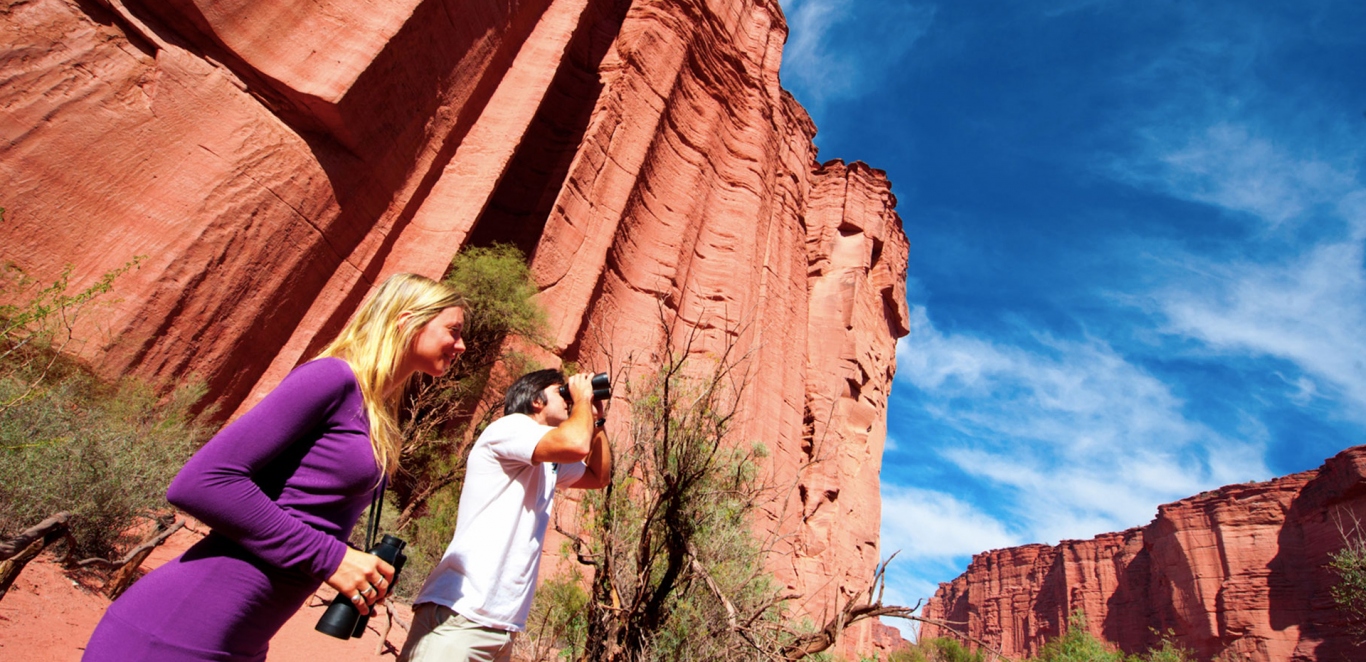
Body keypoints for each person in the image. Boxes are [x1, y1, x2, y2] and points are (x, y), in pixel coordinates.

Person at [82, 273, 467, 661]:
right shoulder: (331, 377)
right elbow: (200, 482)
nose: (461, 345)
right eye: (453, 330)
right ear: (406, 320)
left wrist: (350, 559)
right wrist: (331, 557)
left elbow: (301, 509)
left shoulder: (373, 410)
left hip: (240, 643)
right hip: (176, 633)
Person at [399, 368, 612, 662]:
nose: (568, 397)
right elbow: (576, 444)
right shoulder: (510, 428)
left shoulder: (547, 459)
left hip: (501, 627)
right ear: (536, 401)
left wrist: (596, 420)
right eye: (560, 391)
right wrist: (581, 398)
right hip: (460, 616)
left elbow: (598, 476)